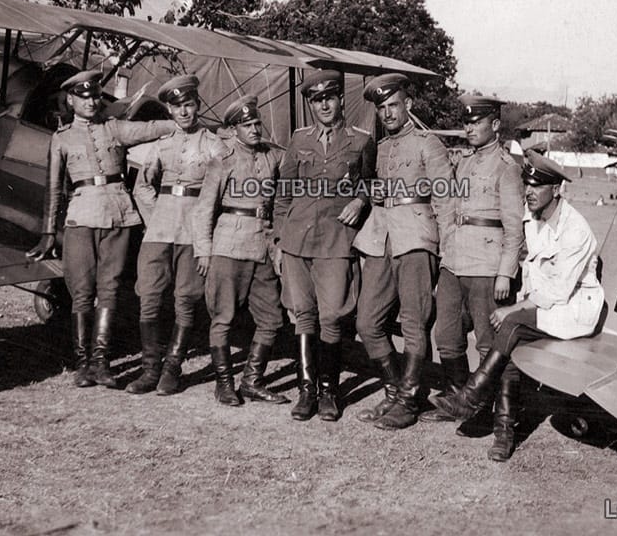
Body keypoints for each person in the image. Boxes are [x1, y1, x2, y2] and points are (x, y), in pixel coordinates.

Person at [427, 149, 605, 461]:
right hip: (540, 307)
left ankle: (472, 397)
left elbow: (558, 292)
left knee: (510, 326)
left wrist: (512, 309)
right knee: (508, 342)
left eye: (538, 187)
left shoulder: (575, 230)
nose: (530, 192)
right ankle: (502, 431)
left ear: (557, 190)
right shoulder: (532, 217)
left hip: (574, 310)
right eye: (527, 186)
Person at [26, 69, 174, 389]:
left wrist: (181, 121)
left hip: (120, 216)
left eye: (94, 96)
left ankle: (102, 364)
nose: (91, 102)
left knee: (109, 289)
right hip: (81, 217)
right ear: (71, 101)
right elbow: (54, 189)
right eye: (83, 97)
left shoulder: (114, 129)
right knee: (81, 291)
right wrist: (49, 232)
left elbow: (148, 129)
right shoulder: (61, 139)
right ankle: (83, 366)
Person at [274, 69, 377, 421]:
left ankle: (330, 391)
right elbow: (283, 193)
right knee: (303, 314)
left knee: (331, 315)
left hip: (336, 240)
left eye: (329, 98)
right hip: (297, 240)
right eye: (317, 100)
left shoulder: (362, 141)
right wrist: (277, 239)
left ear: (341, 99)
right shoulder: (298, 139)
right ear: (310, 105)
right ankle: (307, 392)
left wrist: (360, 201)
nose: (324, 105)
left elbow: (371, 183)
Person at [420, 95, 525, 440]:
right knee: (446, 337)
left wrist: (505, 272)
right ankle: (458, 399)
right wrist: (446, 250)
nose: (468, 128)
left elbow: (514, 228)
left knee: (486, 342)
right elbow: (450, 212)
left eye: (475, 122)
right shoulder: (462, 162)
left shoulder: (507, 168)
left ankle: (482, 411)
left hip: (486, 264)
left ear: (495, 125)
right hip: (455, 261)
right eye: (465, 123)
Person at [353, 73, 453, 430]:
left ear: (408, 105)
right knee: (367, 321)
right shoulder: (380, 149)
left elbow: (445, 199)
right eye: (382, 109)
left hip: (415, 237)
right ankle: (395, 389)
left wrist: (448, 252)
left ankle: (409, 400)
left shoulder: (429, 144)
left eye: (393, 105)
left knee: (414, 323)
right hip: (381, 237)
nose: (388, 114)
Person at [125, 75, 227, 395]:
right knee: (149, 297)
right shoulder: (161, 144)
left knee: (186, 299)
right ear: (169, 110)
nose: (184, 112)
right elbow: (142, 186)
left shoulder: (213, 144)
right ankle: (149, 369)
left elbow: (223, 190)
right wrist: (156, 216)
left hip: (193, 231)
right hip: (160, 230)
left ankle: (172, 367)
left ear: (197, 105)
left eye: (189, 104)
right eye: (177, 106)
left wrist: (206, 230)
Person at [193, 95, 289, 406]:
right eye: (246, 125)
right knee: (222, 317)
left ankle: (251, 381)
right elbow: (204, 209)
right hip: (228, 246)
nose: (254, 129)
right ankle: (224, 384)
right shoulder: (223, 160)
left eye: (257, 123)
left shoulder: (271, 157)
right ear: (234, 130)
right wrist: (204, 252)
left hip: (262, 245)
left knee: (273, 317)